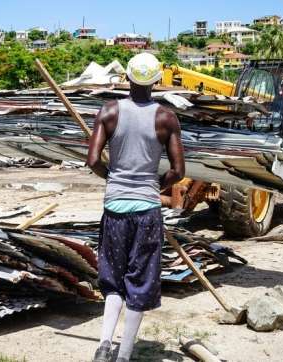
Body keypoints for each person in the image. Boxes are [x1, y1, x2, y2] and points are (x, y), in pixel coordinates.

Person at [87, 53, 185, 362]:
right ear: (157, 81)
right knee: (139, 280)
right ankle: (124, 355)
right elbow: (178, 171)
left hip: (115, 207)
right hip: (146, 209)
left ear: (127, 79)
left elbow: (92, 161)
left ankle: (104, 345)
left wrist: (113, 178)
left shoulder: (109, 111)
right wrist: (156, 185)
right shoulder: (166, 118)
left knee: (113, 279)